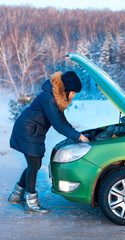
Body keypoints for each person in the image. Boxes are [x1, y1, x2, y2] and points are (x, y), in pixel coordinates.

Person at [8, 71, 89, 214]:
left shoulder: (56, 98)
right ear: (67, 89)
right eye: (74, 92)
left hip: (33, 131)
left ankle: (16, 196)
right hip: (27, 131)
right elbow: (57, 124)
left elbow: (62, 121)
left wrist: (77, 134)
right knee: (34, 165)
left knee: (34, 164)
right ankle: (31, 203)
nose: (74, 96)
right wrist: (78, 137)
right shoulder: (48, 98)